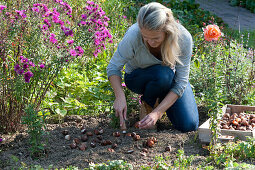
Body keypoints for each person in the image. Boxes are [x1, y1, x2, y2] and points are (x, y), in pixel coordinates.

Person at [106, 2, 199, 132]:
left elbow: (181, 82)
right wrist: (120, 96)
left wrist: (158, 113)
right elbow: (113, 67)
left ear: (167, 31)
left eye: (155, 38)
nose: (150, 42)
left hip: (168, 79)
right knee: (162, 75)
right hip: (138, 78)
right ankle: (148, 104)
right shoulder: (133, 35)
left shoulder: (183, 39)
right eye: (145, 37)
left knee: (189, 125)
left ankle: (159, 103)